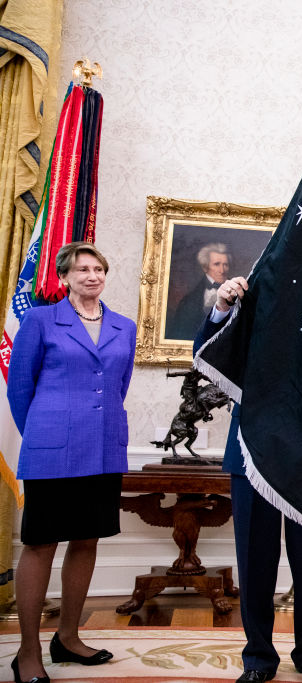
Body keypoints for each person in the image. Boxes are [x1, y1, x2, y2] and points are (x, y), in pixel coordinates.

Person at [7, 242, 136, 683]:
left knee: (86, 540)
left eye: (99, 268)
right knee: (41, 543)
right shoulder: (41, 320)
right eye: (82, 269)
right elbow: (20, 389)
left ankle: (67, 638)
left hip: (103, 450)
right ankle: (27, 651)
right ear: (64, 277)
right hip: (52, 450)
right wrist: (46, 432)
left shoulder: (123, 326)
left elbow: (119, 386)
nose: (92, 275)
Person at [194, 276, 302, 683]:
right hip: (251, 452)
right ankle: (258, 658)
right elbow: (206, 352)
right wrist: (222, 307)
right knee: (255, 561)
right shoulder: (249, 302)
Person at [166, 242, 232, 340]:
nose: (222, 270)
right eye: (217, 264)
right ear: (205, 267)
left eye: (225, 265)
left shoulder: (238, 296)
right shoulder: (188, 301)